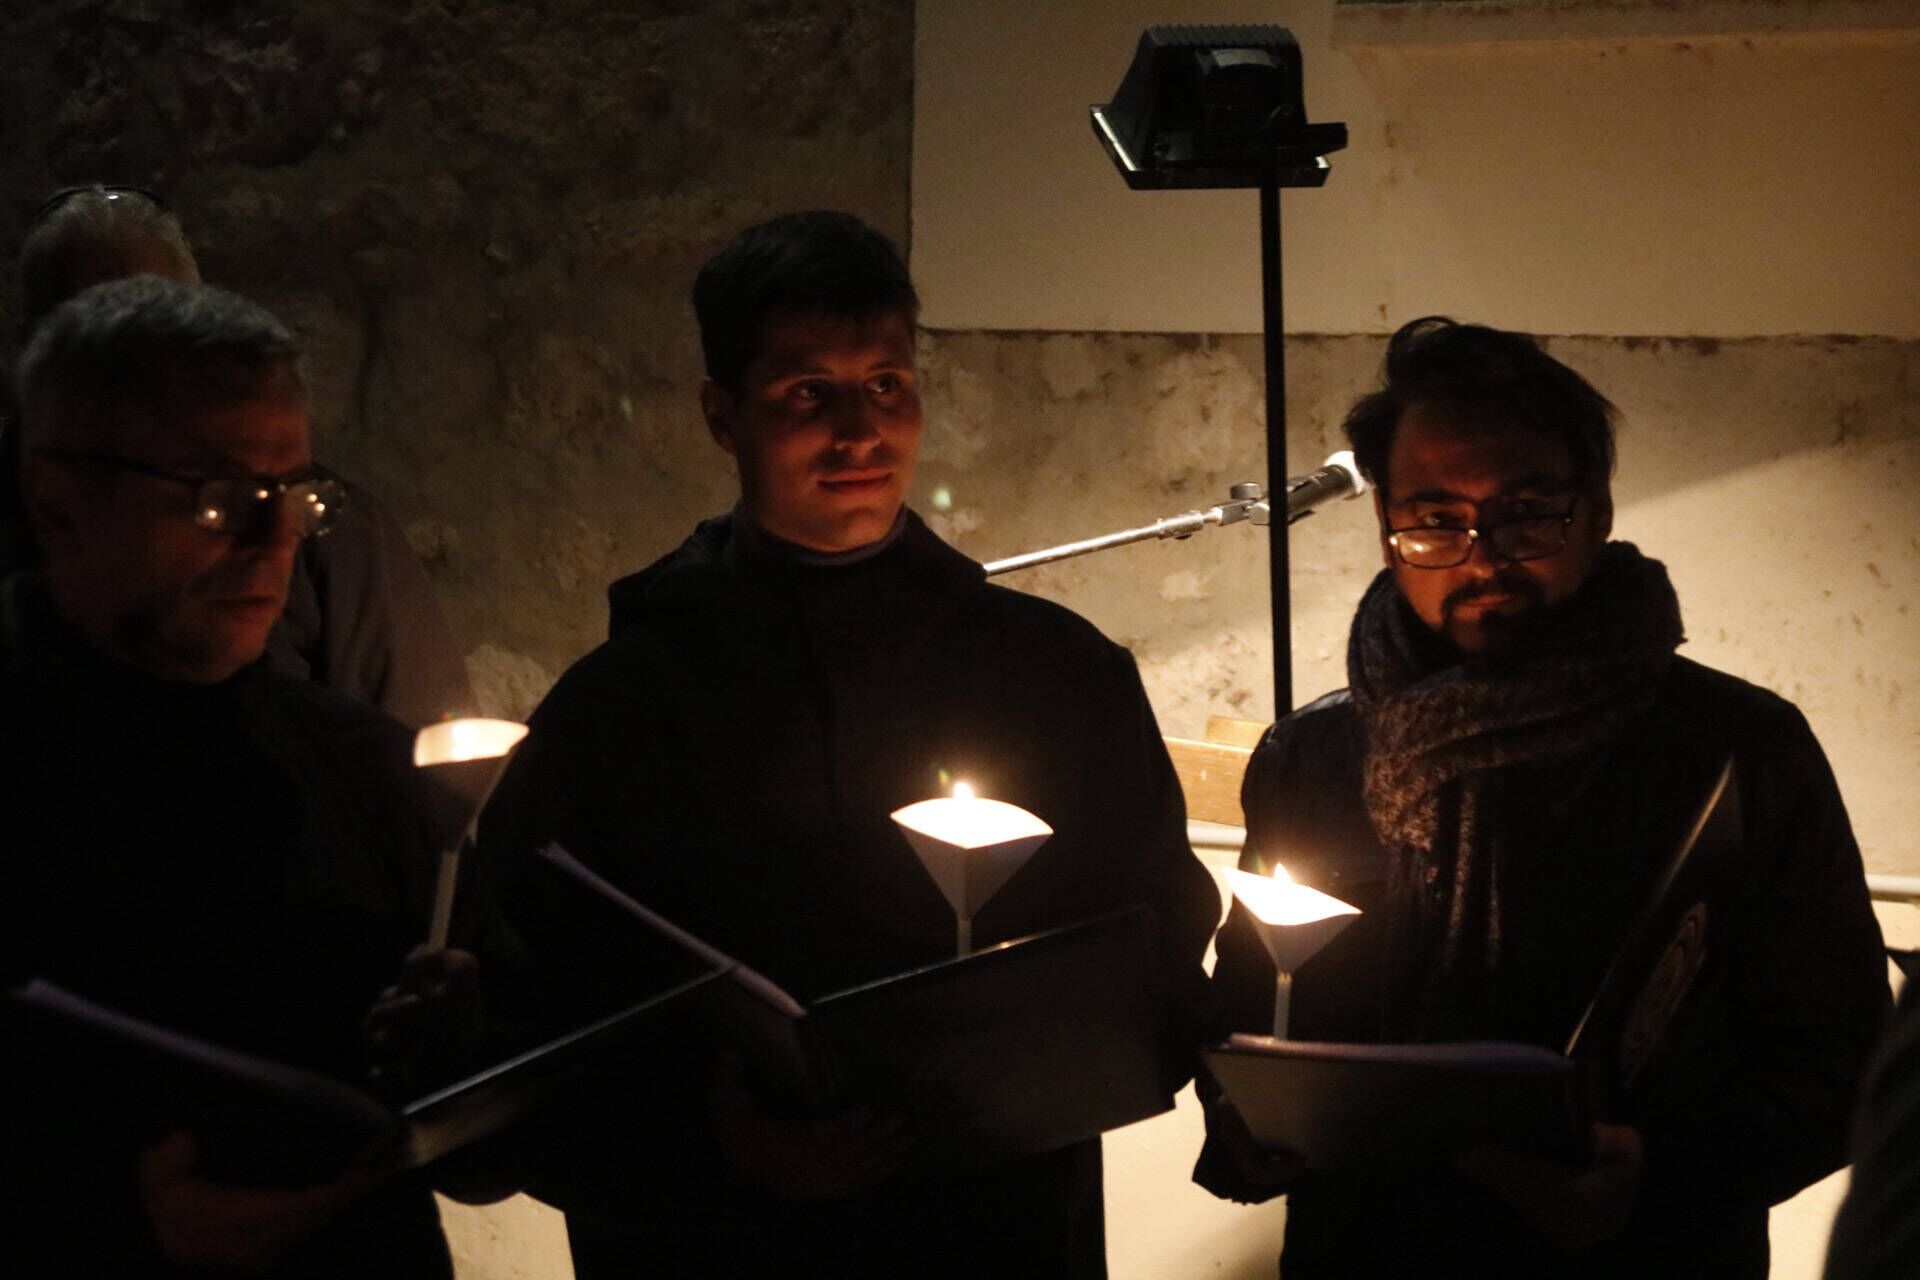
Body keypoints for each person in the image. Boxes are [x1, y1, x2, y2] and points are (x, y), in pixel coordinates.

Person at [480, 210, 1219, 1278]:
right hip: (718, 1234)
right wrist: (712, 1131)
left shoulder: (1058, 674)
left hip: (990, 1222)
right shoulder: (623, 704)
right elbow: (541, 994)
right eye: (805, 394)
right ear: (721, 414)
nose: (858, 432)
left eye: (886, 384)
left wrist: (1044, 1056)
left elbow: (1153, 923)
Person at [1197, 316, 1889, 1278]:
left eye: (1527, 513)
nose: (1482, 558)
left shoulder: (1735, 750)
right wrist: (1239, 1120)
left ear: (1597, 510)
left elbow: (1843, 1055)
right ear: (1386, 525)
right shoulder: (1312, 756)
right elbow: (1247, 1001)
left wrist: (1661, 1173)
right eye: (1436, 519)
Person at [1, 276, 475, 1276]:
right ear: (56, 501)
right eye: (220, 499)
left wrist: (467, 1047)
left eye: (297, 495)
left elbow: (479, 1151)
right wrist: (111, 1229)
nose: (276, 547)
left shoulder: (361, 763)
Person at [4, 184, 473, 726]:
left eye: (169, 332)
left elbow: (434, 756)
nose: (269, 541)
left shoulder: (336, 541)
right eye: (100, 341)